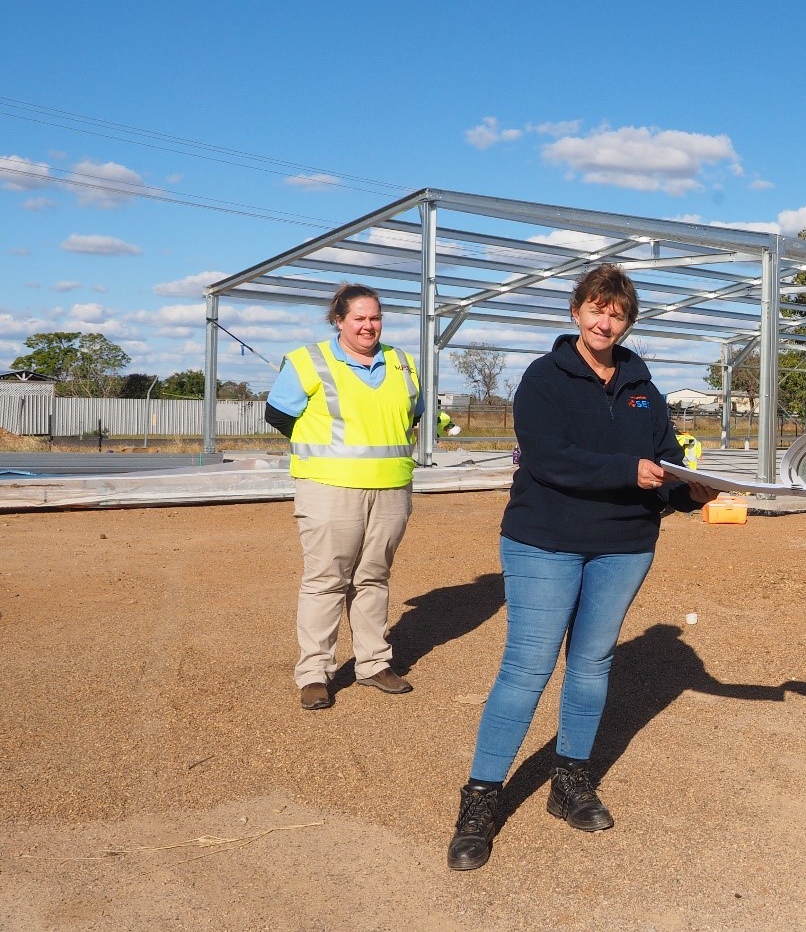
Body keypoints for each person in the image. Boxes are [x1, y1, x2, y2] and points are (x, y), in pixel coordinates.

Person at [447, 264, 717, 872]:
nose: (605, 321)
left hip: (623, 546)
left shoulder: (643, 386)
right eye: (596, 309)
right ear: (576, 311)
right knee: (527, 667)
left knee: (592, 666)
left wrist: (690, 492)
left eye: (617, 314)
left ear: (628, 322)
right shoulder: (545, 378)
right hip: (546, 539)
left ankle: (569, 782)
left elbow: (667, 462)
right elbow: (548, 457)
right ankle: (481, 799)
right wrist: (629, 472)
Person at [264, 282, 457, 711]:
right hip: (329, 488)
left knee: (373, 578)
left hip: (390, 488)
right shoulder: (307, 361)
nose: (368, 326)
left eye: (375, 318)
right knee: (326, 580)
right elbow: (277, 414)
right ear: (339, 320)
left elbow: (418, 414)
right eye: (359, 318)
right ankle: (315, 673)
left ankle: (373, 663)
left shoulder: (402, 363)